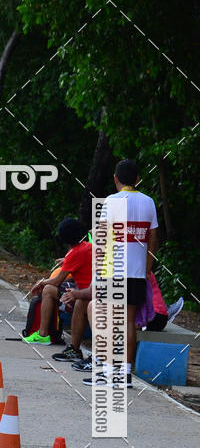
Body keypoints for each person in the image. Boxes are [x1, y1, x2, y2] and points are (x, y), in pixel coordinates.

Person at [83, 159, 158, 387]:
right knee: (128, 322)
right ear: (137, 179)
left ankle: (106, 371)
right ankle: (124, 374)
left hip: (112, 271)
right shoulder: (149, 202)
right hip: (136, 273)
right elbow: (153, 241)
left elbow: (102, 240)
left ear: (116, 178)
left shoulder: (111, 202)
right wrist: (146, 269)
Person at [24, 218, 92, 349]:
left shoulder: (74, 253)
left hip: (83, 293)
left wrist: (41, 282)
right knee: (51, 286)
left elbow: (56, 281)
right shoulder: (88, 246)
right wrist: (67, 260)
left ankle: (43, 334)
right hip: (90, 289)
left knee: (48, 289)